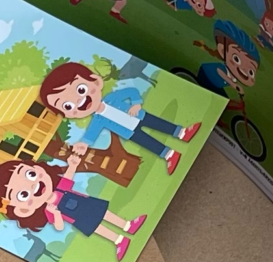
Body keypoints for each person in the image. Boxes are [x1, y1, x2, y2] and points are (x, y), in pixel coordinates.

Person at [38, 60, 199, 176]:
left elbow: (131, 92)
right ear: (66, 114)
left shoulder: (112, 98)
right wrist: (83, 144)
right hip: (129, 132)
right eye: (67, 106)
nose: (79, 101)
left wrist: (136, 104)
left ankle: (182, 132)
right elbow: (92, 133)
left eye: (81, 89)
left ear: (96, 81)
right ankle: (169, 155)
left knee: (160, 125)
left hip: (138, 116)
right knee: (149, 143)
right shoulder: (97, 120)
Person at [0, 152, 146, 262]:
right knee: (96, 227)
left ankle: (127, 225)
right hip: (77, 218)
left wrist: (73, 165)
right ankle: (119, 240)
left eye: (30, 174)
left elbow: (68, 179)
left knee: (104, 213)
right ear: (23, 210)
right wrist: (55, 214)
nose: (33, 185)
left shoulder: (60, 187)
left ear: (37, 168)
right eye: (23, 194)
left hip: (86, 203)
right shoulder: (48, 210)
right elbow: (59, 226)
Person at [194, 19, 262, 103]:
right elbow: (219, 71)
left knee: (224, 100)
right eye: (236, 59)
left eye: (251, 72)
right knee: (219, 100)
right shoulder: (225, 71)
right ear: (222, 50)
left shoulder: (233, 78)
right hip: (207, 76)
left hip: (216, 83)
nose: (244, 70)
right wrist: (233, 84)